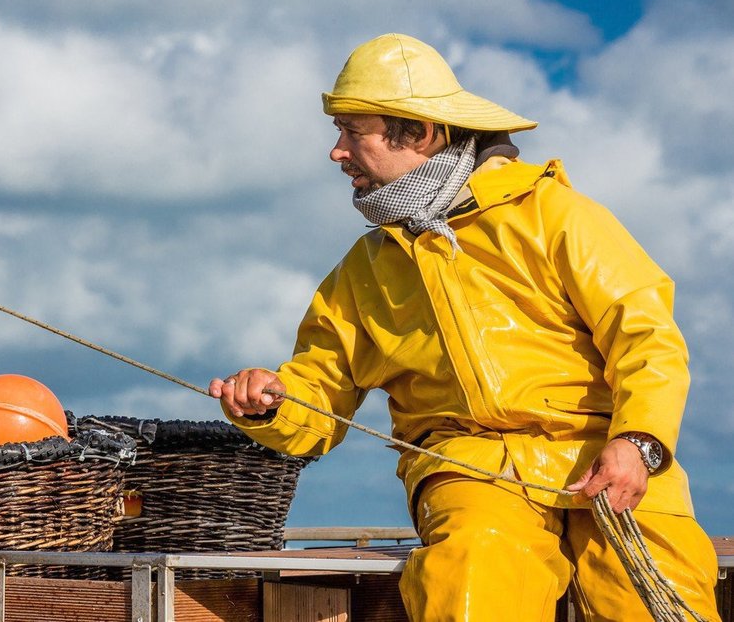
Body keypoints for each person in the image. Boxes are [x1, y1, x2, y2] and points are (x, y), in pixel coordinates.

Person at [209, 33, 720, 621]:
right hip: (472, 474)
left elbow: (645, 337)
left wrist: (640, 442)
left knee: (652, 599)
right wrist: (272, 402)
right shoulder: (361, 271)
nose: (336, 152)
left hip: (614, 457)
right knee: (474, 574)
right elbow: (318, 400)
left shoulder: (557, 216)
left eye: (353, 132)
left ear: (419, 134)